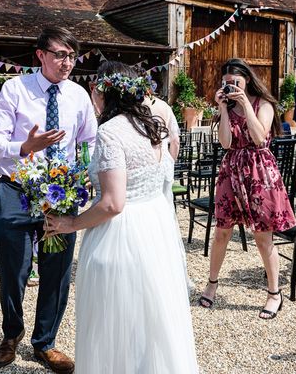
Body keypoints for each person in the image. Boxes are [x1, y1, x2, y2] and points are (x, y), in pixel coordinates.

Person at [45, 61, 198, 373]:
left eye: (95, 90)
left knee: (115, 319)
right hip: (155, 229)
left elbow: (113, 203)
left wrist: (70, 223)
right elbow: (144, 174)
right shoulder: (151, 125)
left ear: (104, 92)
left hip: (121, 235)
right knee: (152, 318)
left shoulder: (110, 132)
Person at [0, 26, 97, 372]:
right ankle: (11, 333)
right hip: (16, 192)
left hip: (60, 196)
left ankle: (45, 342)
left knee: (57, 272)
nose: (67, 63)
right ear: (41, 55)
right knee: (13, 270)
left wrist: (86, 176)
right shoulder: (15, 89)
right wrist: (25, 147)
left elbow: (89, 141)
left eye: (72, 56)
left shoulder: (78, 95)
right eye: (61, 54)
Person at [198, 58, 296, 319]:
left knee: (263, 237)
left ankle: (274, 293)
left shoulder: (263, 104)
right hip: (231, 171)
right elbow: (226, 144)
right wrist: (224, 108)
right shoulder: (227, 107)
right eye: (226, 83)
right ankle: (212, 283)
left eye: (235, 83)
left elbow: (259, 137)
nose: (230, 87)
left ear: (247, 81)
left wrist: (244, 105)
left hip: (258, 173)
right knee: (221, 233)